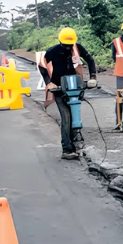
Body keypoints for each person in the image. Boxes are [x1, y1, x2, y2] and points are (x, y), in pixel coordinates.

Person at [38, 27, 97, 160]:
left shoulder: (77, 48)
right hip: (59, 87)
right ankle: (67, 148)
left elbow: (90, 60)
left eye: (69, 45)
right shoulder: (53, 51)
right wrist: (49, 82)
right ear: (60, 42)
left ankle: (76, 142)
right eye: (65, 45)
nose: (67, 48)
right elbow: (41, 64)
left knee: (75, 115)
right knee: (66, 118)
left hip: (76, 86)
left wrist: (93, 77)